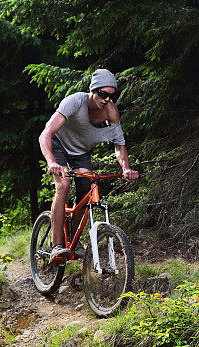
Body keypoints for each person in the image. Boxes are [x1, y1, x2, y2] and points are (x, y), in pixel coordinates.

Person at [38, 68, 139, 262]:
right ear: (92, 91)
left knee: (87, 192)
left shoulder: (111, 112)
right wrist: (52, 162)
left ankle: (74, 243)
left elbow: (119, 145)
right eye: (102, 94)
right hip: (59, 146)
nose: (107, 99)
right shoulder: (75, 102)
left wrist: (125, 168)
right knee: (64, 185)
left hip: (80, 153)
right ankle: (57, 246)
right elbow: (46, 134)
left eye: (111, 95)